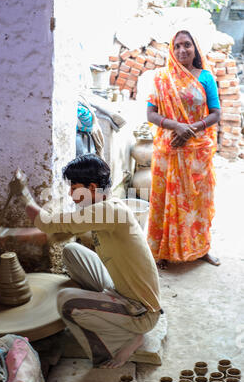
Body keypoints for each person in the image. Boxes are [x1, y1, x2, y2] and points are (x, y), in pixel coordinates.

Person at [9, 154, 162, 369]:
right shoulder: (105, 207)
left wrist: (23, 195)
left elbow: (50, 224)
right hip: (122, 290)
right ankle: (107, 314)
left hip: (141, 311)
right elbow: (59, 232)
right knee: (72, 251)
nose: (71, 195)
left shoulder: (110, 211)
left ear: (91, 187)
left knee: (66, 301)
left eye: (74, 188)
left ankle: (126, 340)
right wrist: (25, 233)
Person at [147, 30, 221, 269]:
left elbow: (216, 114)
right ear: (172, 48)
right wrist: (176, 126)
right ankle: (163, 252)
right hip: (168, 149)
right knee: (166, 200)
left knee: (198, 202)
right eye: (177, 46)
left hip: (197, 151)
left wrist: (191, 129)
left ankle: (201, 249)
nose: (182, 50)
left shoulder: (206, 78)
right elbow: (150, 114)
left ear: (195, 48)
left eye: (187, 45)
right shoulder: (162, 78)